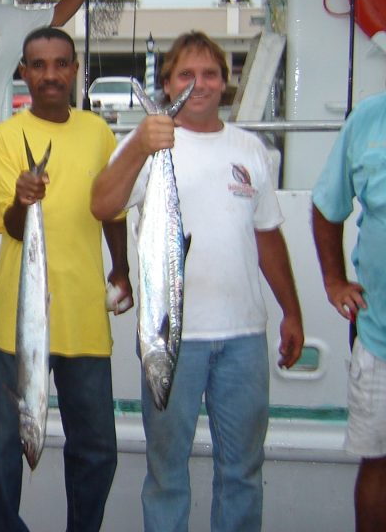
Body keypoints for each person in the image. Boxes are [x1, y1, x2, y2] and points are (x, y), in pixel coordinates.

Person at [91, 31, 304, 532]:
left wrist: (292, 311)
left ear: (225, 84)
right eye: (186, 74)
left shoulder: (249, 148)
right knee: (167, 472)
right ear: (166, 83)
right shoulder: (146, 143)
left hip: (243, 338)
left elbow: (268, 237)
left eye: (210, 74)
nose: (199, 84)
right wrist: (142, 144)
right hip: (171, 341)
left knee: (243, 470)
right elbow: (102, 204)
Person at [0, 26, 130, 532]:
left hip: (84, 313)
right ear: (24, 71)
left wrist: (123, 268)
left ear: (74, 70)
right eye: (38, 65)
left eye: (60, 64)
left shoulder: (99, 133)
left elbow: (112, 208)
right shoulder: (3, 138)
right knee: (5, 447)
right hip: (17, 320)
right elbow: (13, 229)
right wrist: (25, 199)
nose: (49, 75)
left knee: (96, 448)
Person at [312, 90, 386, 532]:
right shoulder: (368, 119)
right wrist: (334, 280)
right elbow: (327, 206)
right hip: (379, 338)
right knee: (377, 463)